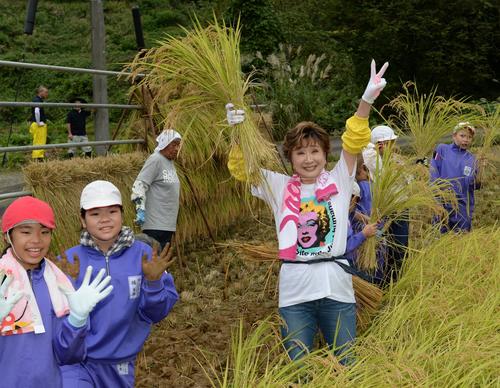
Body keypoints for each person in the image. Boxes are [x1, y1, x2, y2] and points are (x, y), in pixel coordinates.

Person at [227, 59, 389, 364]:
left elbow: (353, 141)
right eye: (300, 152)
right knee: (297, 369)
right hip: (295, 294)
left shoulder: (340, 181)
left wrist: (366, 102)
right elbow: (241, 169)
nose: (308, 158)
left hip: (337, 292)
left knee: (346, 364)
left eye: (315, 151)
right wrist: (236, 133)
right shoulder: (278, 185)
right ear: (290, 157)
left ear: (325, 154)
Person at [61, 180, 179, 388]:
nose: (105, 220)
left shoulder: (145, 256)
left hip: (121, 363)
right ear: (82, 219)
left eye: (112, 212)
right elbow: (56, 318)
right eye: (95, 213)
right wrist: (68, 285)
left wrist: (153, 283)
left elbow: (156, 314)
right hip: (77, 363)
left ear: (122, 215)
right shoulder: (69, 261)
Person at [0, 196, 113, 387]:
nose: (36, 241)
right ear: (7, 236)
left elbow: (68, 356)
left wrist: (77, 321)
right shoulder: (2, 281)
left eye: (44, 232)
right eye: (26, 232)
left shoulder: (59, 284)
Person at [131, 130, 182, 250]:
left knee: (162, 261)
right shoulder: (155, 159)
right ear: (164, 143)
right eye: (173, 145)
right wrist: (140, 209)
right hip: (155, 225)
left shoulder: (169, 163)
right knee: (154, 260)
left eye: (178, 145)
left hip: (167, 225)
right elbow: (139, 184)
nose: (176, 148)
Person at [430, 122, 483, 233]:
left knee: (461, 239)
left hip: (462, 207)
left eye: (469, 137)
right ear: (454, 136)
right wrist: (436, 197)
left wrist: (480, 171)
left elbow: (476, 186)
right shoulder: (442, 149)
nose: (466, 140)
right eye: (462, 136)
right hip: (442, 202)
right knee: (440, 236)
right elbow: (433, 170)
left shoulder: (472, 159)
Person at [29, 86, 49, 160]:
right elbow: (37, 111)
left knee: (39, 142)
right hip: (39, 125)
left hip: (38, 124)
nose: (47, 94)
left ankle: (39, 160)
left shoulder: (38, 100)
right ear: (40, 92)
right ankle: (38, 160)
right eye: (46, 92)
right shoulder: (37, 100)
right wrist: (38, 123)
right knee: (39, 143)